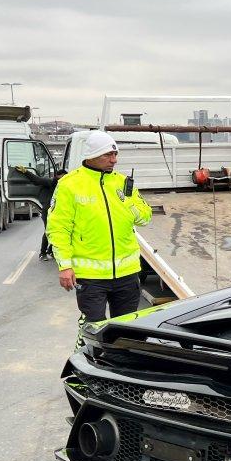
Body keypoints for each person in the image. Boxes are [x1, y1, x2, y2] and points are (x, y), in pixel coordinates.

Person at [46, 130, 152, 340]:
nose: (113, 160)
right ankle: (90, 365)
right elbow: (58, 228)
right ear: (91, 155)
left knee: (128, 332)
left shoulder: (123, 183)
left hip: (127, 274)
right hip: (91, 278)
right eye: (107, 155)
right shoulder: (70, 184)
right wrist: (64, 266)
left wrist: (127, 202)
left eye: (115, 155)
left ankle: (122, 369)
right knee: (94, 330)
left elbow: (145, 218)